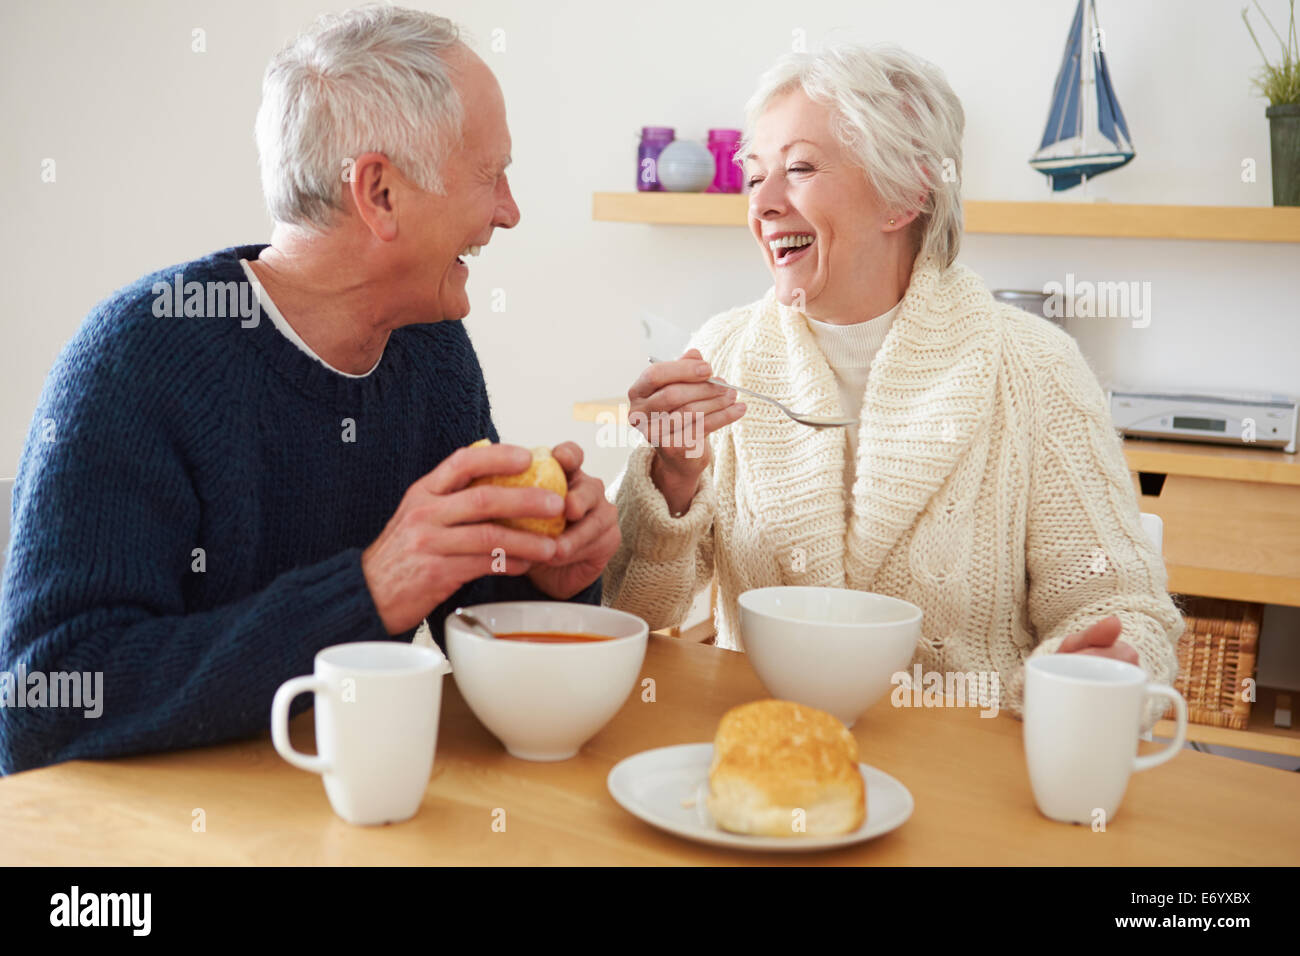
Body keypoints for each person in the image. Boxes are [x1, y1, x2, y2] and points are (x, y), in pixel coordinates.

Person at [0, 7, 619, 774]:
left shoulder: (429, 348)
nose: (509, 211)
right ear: (380, 193)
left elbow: (473, 616)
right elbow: (42, 706)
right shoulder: (137, 359)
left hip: (339, 808)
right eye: (490, 175)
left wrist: (548, 578)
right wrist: (365, 592)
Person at [604, 43, 1183, 727]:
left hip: (968, 784)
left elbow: (1128, 611)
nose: (761, 203)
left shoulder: (1034, 367)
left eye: (798, 169)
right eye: (754, 176)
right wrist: (671, 475)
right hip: (771, 763)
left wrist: (1100, 669)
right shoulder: (724, 353)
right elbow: (628, 614)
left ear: (906, 193)